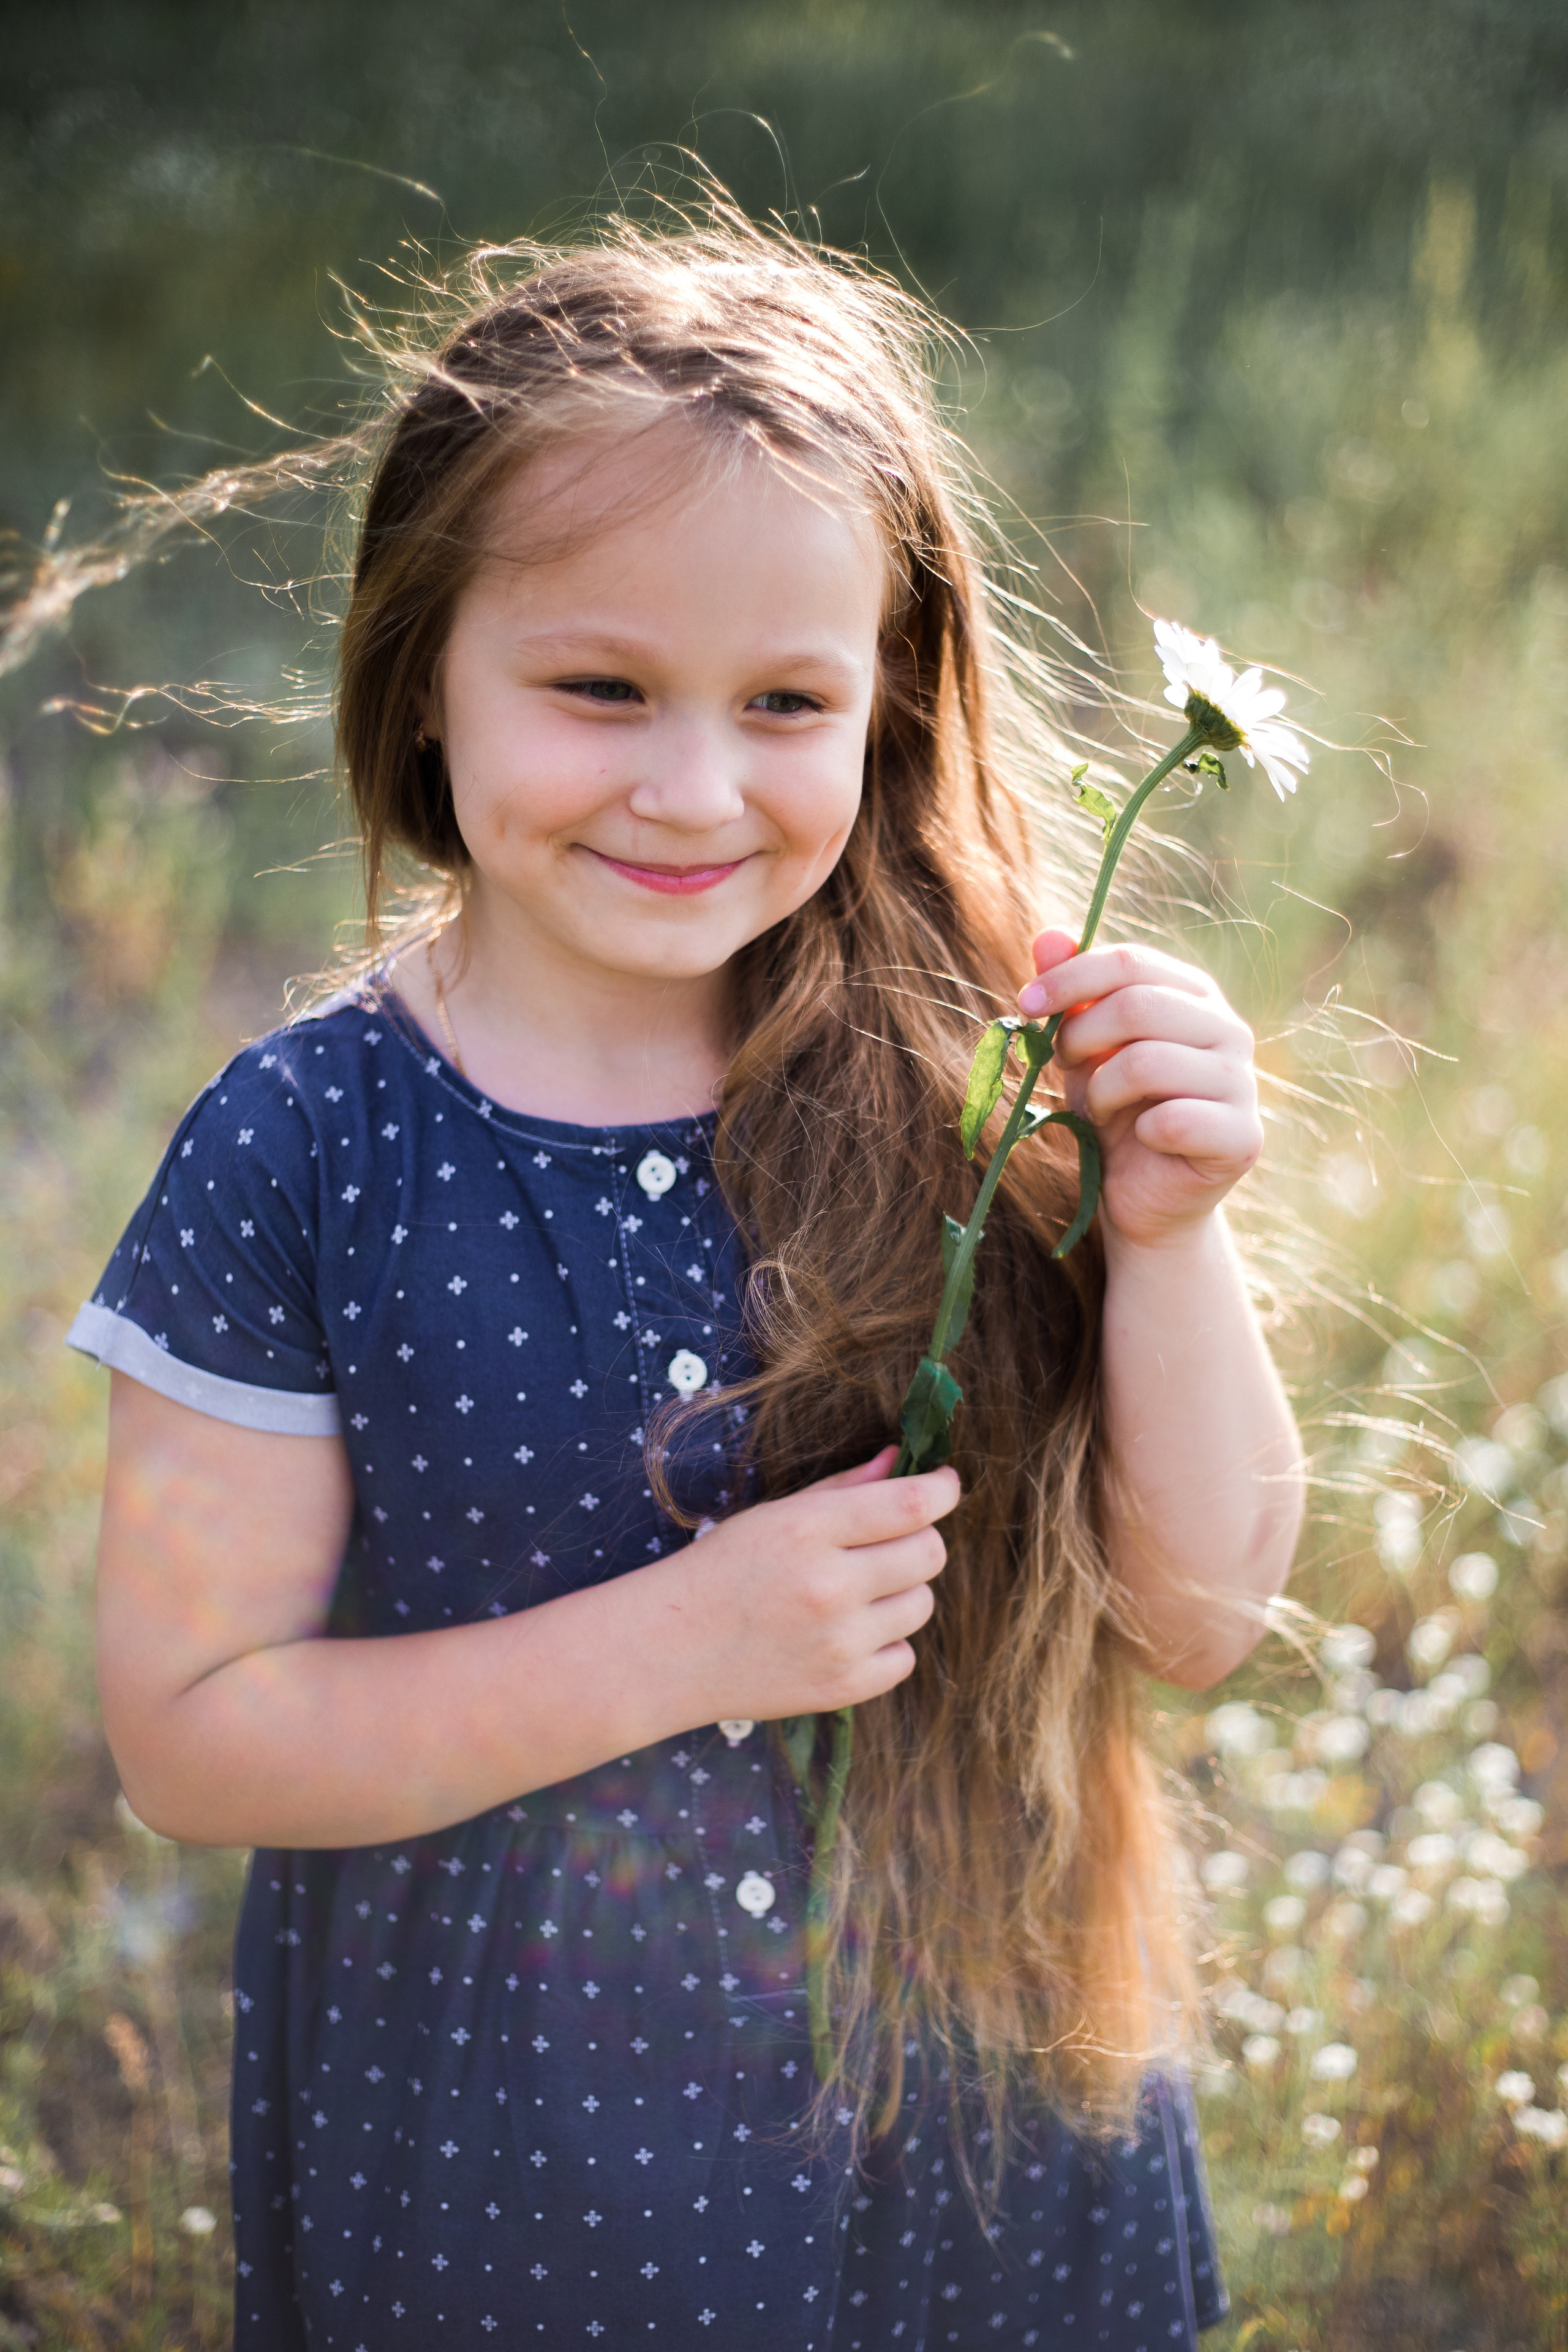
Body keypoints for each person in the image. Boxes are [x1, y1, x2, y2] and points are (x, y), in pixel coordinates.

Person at [69, 216, 1304, 2348]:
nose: (695, 786)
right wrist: (686, 1643)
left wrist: (1170, 1239)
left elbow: (1197, 1612)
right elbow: (193, 1735)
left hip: (978, 2133)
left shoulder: (978, 1074)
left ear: (888, 700)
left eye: (787, 704)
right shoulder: (303, 1156)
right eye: (600, 687)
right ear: (420, 670)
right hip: (524, 2189)